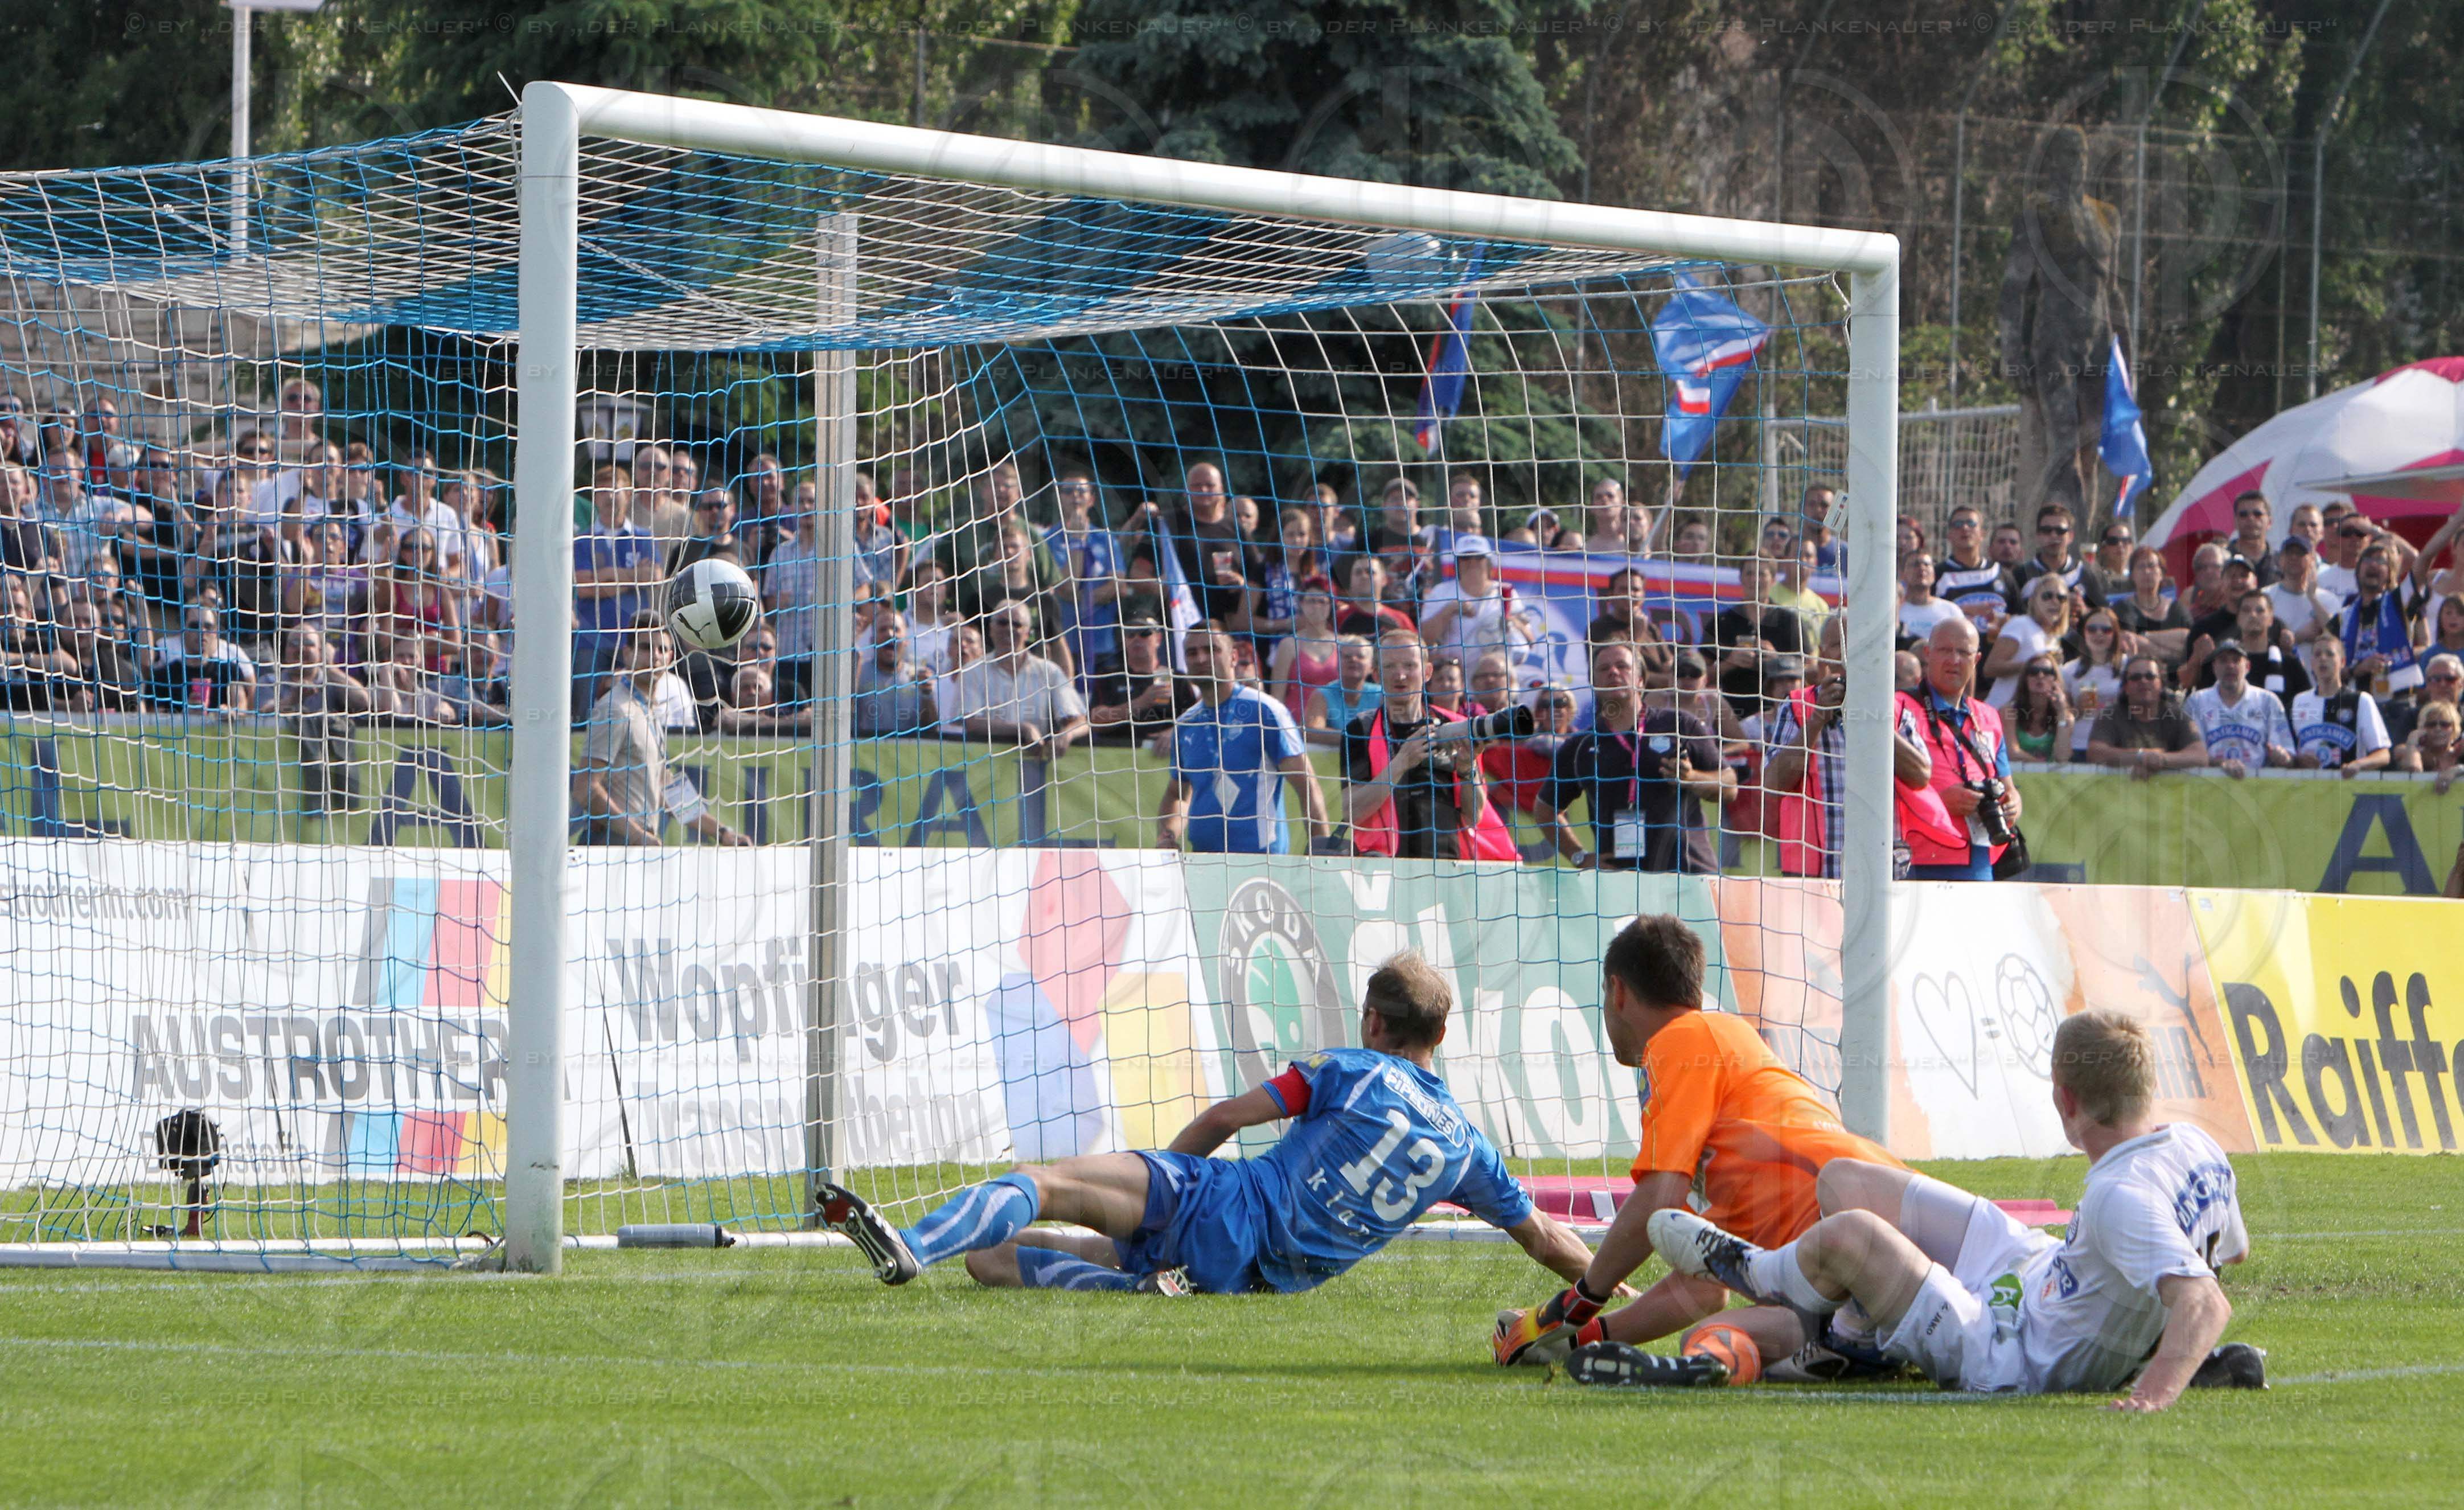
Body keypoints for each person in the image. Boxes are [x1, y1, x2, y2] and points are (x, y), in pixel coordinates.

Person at [819, 951, 1598, 1295]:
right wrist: (1618, 1291)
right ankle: (1143, 1283)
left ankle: (910, 1248)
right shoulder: (1467, 1149)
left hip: (1221, 1203)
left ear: (1373, 1019)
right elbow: (1547, 1239)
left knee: (1044, 1182)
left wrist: (1160, 1177)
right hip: (1254, 1277)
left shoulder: (1354, 1069)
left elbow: (1228, 1114)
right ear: (1442, 1036)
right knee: (991, 1262)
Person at [1616, 1010, 2250, 1407]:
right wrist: (2137, 1330)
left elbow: (2202, 1300)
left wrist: (2150, 1394)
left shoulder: (2119, 1197)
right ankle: (1855, 1338)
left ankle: (1756, 1272)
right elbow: (2229, 1251)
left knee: (1853, 1238)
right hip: (2031, 1269)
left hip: (2009, 1349)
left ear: (2063, 1099)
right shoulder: (2194, 1146)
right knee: (1844, 1179)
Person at [1493, 915, 1903, 1374]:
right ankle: (1866, 1347)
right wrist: (1578, 1342)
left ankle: (1847, 1347)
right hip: (1879, 1236)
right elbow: (1705, 1286)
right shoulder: (1721, 1045)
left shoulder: (1678, 1042)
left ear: (1618, 991)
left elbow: (1659, 1198)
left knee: (1726, 1339)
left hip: (1845, 1234)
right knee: (1726, 1333)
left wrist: (1577, 1301)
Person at [1533, 641, 1730, 873]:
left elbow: (1730, 785)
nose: (1613, 672)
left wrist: (1692, 777)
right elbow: (1544, 810)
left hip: (1688, 874)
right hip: (1621, 881)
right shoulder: (1580, 745)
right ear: (1594, 683)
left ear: (1640, 680)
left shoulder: (1679, 724)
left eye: (1622, 666)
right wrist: (1579, 857)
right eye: (1604, 669)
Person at [1764, 614, 1933, 880]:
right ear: (1822, 656)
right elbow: (1773, 782)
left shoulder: (1895, 708)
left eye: (1857, 645)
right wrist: (1819, 717)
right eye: (1838, 646)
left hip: (1882, 872)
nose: (1847, 656)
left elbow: (1921, 776)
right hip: (1815, 874)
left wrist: (1872, 714)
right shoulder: (1798, 705)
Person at [573, 615, 752, 847]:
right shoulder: (614, 708)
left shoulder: (648, 708)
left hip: (634, 842)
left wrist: (722, 832)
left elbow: (667, 787)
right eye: (646, 648)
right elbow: (585, 788)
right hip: (612, 843)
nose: (655, 656)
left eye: (662, 649)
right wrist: (637, 835)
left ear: (670, 658)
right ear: (627, 654)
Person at [1157, 623, 1330, 854]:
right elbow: (1176, 794)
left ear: (1233, 657)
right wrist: (1167, 836)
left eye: (1212, 650)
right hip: (1203, 862)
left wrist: (1322, 851)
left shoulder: (1266, 711)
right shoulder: (1185, 724)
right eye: (1192, 653)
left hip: (1262, 863)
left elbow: (1306, 785)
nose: (1201, 658)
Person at [1342, 630, 1514, 861]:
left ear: (1427, 672)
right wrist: (1402, 762)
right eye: (1390, 667)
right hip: (1382, 865)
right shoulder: (1359, 730)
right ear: (1376, 674)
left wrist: (1466, 767)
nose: (1400, 675)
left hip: (1447, 866)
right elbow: (1351, 811)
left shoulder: (1459, 726)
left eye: (1409, 666)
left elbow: (1474, 816)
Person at [1896, 616, 2019, 881]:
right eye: (1945, 650)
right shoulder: (1899, 707)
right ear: (1928, 654)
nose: (1954, 660)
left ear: (1976, 660)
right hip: (1917, 856)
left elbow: (2009, 787)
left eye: (1964, 652)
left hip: (1979, 857)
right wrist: (1940, 802)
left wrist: (2014, 804)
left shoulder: (1988, 716)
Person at [942, 601, 1088, 763]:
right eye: (1003, 623)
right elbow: (972, 722)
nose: (1009, 630)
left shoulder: (1049, 672)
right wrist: (1023, 729)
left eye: (1016, 624)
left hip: (1034, 769)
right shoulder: (972, 671)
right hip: (984, 769)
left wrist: (1067, 735)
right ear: (991, 629)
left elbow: (1081, 721)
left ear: (1028, 633)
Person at [1418, 535, 1538, 672]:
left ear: (1488, 563)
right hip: (1457, 679)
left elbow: (1531, 640)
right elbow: (1424, 640)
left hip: (1497, 674)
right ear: (1458, 563)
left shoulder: (1505, 592)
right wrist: (1449, 610)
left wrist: (1510, 621)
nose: (1472, 563)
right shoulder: (1441, 592)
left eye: (1479, 557)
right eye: (1466, 558)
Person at [2085, 655, 2210, 778]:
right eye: (2136, 678)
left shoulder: (2177, 716)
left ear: (2161, 685)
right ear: (2125, 687)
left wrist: (2162, 760)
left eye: (2150, 677)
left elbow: (2200, 756)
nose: (2143, 681)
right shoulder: (2109, 716)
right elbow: (2095, 753)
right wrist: (2141, 757)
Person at [2289, 636, 2391, 775]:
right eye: (2318, 655)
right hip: (2307, 789)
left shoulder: (2361, 700)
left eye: (2330, 654)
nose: (2323, 659)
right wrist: (2297, 760)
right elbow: (2289, 751)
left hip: (2346, 788)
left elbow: (2383, 754)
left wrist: (2358, 765)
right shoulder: (2299, 701)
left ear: (2342, 662)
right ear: (2311, 663)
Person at [1086, 613, 1187, 746]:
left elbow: (1196, 720)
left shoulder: (1176, 679)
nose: (1137, 639)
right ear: (1124, 640)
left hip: (1163, 758)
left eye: (1144, 634)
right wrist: (1141, 703)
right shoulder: (1110, 675)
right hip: (1118, 757)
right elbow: (1094, 720)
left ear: (1158, 639)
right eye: (1130, 634)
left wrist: (1174, 732)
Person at [1980, 571, 2071, 708]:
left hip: (2031, 719)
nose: (2055, 602)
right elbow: (1990, 668)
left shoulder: (2054, 637)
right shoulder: (2021, 624)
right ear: (2033, 601)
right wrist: (2032, 665)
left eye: (2061, 598)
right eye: (2047, 596)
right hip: (2001, 713)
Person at [852, 609, 938, 737]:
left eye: (896, 629)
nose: (890, 634)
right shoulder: (859, 673)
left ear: (907, 640)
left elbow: (932, 730)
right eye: (883, 630)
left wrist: (927, 696)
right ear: (872, 640)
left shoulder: (919, 677)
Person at [1267, 585, 1342, 721]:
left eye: (1322, 602)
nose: (1317, 606)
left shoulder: (1342, 643)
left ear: (1330, 606)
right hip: (1296, 720)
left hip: (1334, 720)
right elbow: (1277, 696)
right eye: (1311, 601)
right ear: (1302, 605)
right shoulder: (1289, 644)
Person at [2060, 608, 2127, 759]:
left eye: (2106, 630)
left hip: (2117, 744)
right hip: (2080, 744)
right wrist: (2078, 709)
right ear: (2084, 633)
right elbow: (2062, 715)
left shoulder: (2127, 666)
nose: (2099, 634)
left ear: (2115, 634)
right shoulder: (2070, 670)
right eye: (2092, 629)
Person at [1302, 633, 1382, 750]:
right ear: (1337, 663)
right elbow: (1311, 733)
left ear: (1371, 667)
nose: (1353, 660)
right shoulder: (1322, 695)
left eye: (1360, 656)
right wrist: (1361, 738)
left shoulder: (1382, 695)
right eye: (1347, 656)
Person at [2112, 544, 2191, 661]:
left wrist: (2144, 636)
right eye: (2141, 567)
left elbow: (2188, 639)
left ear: (2162, 574)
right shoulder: (2122, 608)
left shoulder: (2176, 608)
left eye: (2152, 566)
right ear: (2132, 575)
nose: (2147, 571)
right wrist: (2171, 654)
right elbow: (2127, 641)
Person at [2266, 535, 2339, 643]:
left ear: (2312, 559)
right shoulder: (2267, 596)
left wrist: (2313, 598)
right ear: (2280, 559)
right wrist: (2298, 637)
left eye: (2300, 553)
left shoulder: (2327, 599)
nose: (2294, 557)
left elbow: (2336, 635)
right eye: (2289, 553)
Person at [2003, 654, 2074, 764]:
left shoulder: (2067, 717)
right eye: (2033, 672)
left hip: (2049, 780)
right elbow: (2012, 753)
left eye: (2047, 672)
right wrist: (2044, 767)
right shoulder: (2009, 711)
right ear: (2025, 679)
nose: (2040, 676)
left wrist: (2061, 713)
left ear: (2055, 679)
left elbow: (2062, 757)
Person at [1336, 553, 1414, 641]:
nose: (1364, 576)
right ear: (1350, 580)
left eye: (1370, 572)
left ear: (1384, 580)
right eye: (1358, 573)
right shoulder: (1338, 618)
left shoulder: (1400, 620)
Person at [1896, 550, 1962, 646]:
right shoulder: (1896, 611)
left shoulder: (1951, 610)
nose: (1922, 568)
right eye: (1915, 565)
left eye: (1927, 565)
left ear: (1934, 575)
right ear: (1903, 575)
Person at [2223, 491, 2281, 587]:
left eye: (2258, 514)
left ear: (2269, 522)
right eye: (2243, 514)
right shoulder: (2222, 561)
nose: (2251, 518)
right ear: (2235, 522)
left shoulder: (2282, 564)